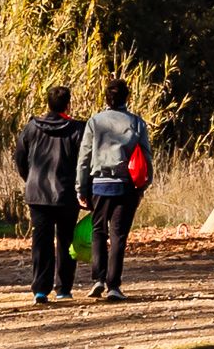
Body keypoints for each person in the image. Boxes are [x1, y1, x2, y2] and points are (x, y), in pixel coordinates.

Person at [74, 76, 153, 300]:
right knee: (119, 235)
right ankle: (114, 286)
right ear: (127, 97)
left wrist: (81, 187)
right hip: (126, 186)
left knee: (99, 231)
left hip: (99, 185)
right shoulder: (136, 123)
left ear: (106, 98)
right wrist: (144, 185)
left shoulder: (95, 122)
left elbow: (84, 157)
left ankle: (98, 278)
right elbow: (146, 156)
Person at [11, 83, 84, 303]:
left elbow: (20, 157)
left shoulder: (32, 127)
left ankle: (40, 289)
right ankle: (63, 288)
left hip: (38, 192)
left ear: (48, 103)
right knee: (66, 240)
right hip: (66, 194)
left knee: (41, 242)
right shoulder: (77, 129)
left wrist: (29, 177)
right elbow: (84, 162)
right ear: (68, 104)